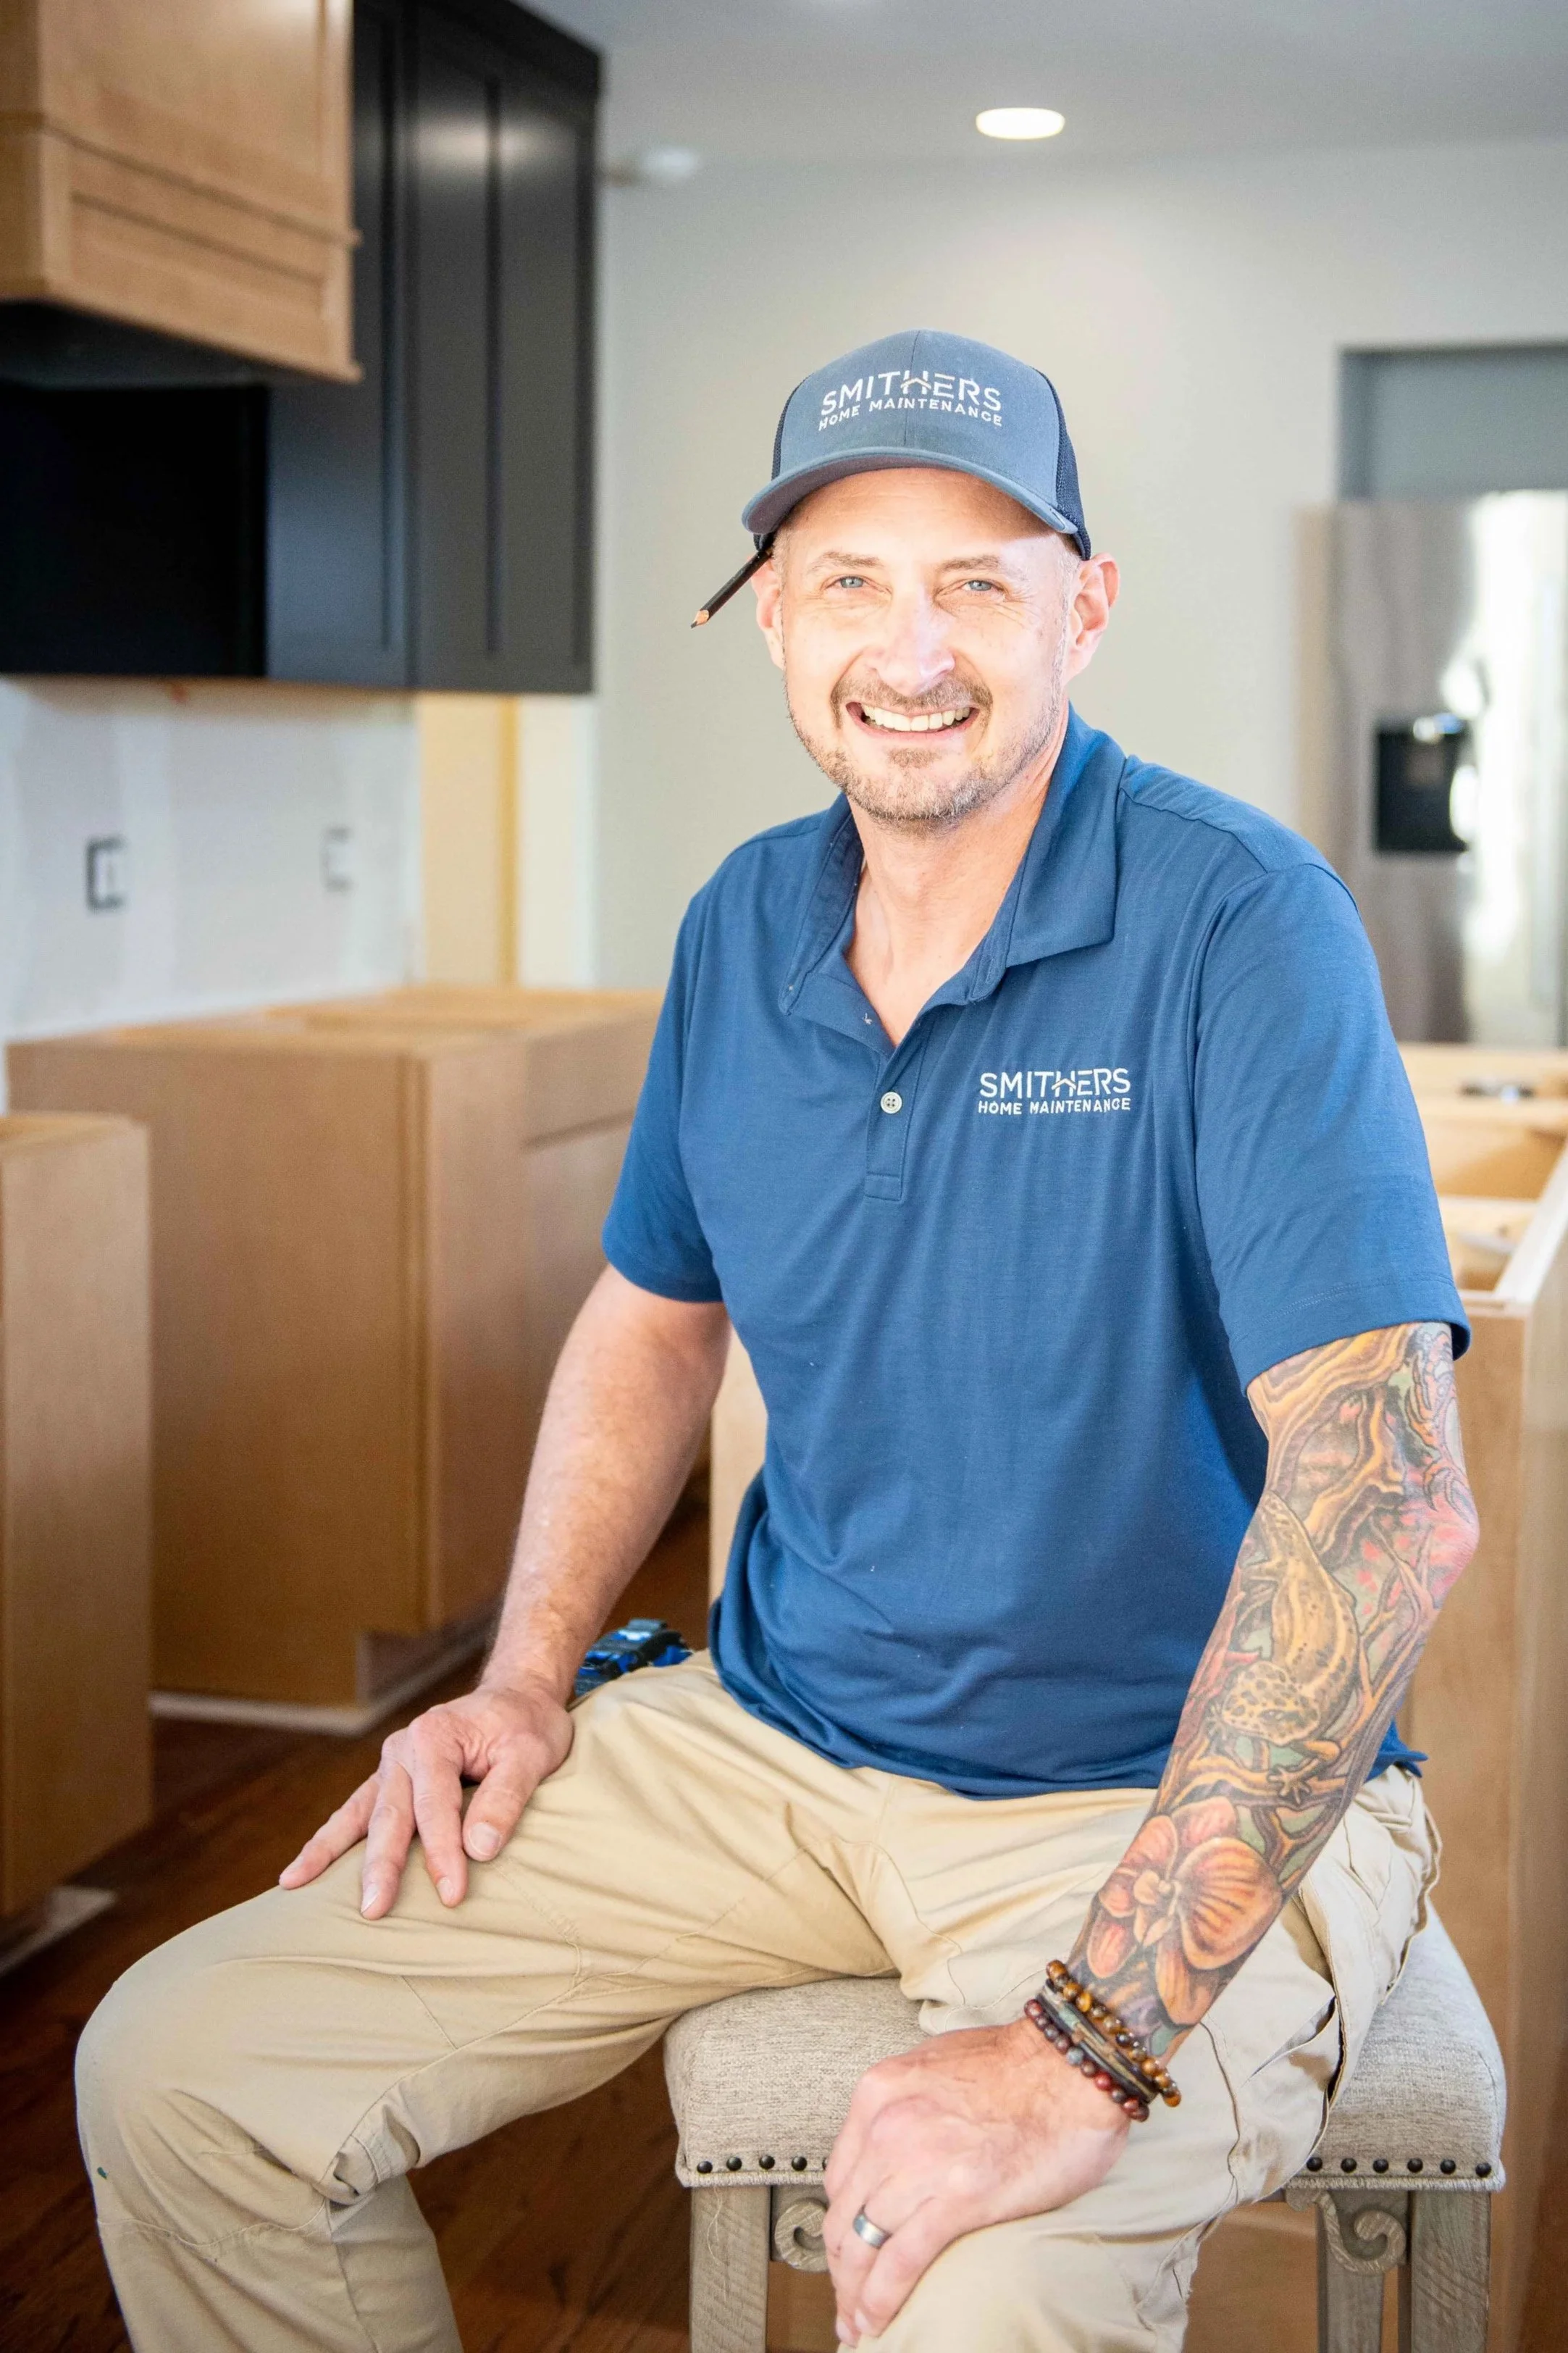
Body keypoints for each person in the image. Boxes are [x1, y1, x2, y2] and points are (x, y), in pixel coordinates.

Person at [77, 330, 1477, 2353]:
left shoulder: (1241, 923)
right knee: (179, 2071)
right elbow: (652, 1323)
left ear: (1083, 608)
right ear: (771, 621)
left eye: (975, 581)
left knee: (979, 2294)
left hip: (1135, 1799)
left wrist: (1084, 2043)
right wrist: (525, 1680)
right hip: (772, 1741)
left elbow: (1384, 1503)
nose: (909, 649)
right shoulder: (743, 924)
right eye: (847, 581)